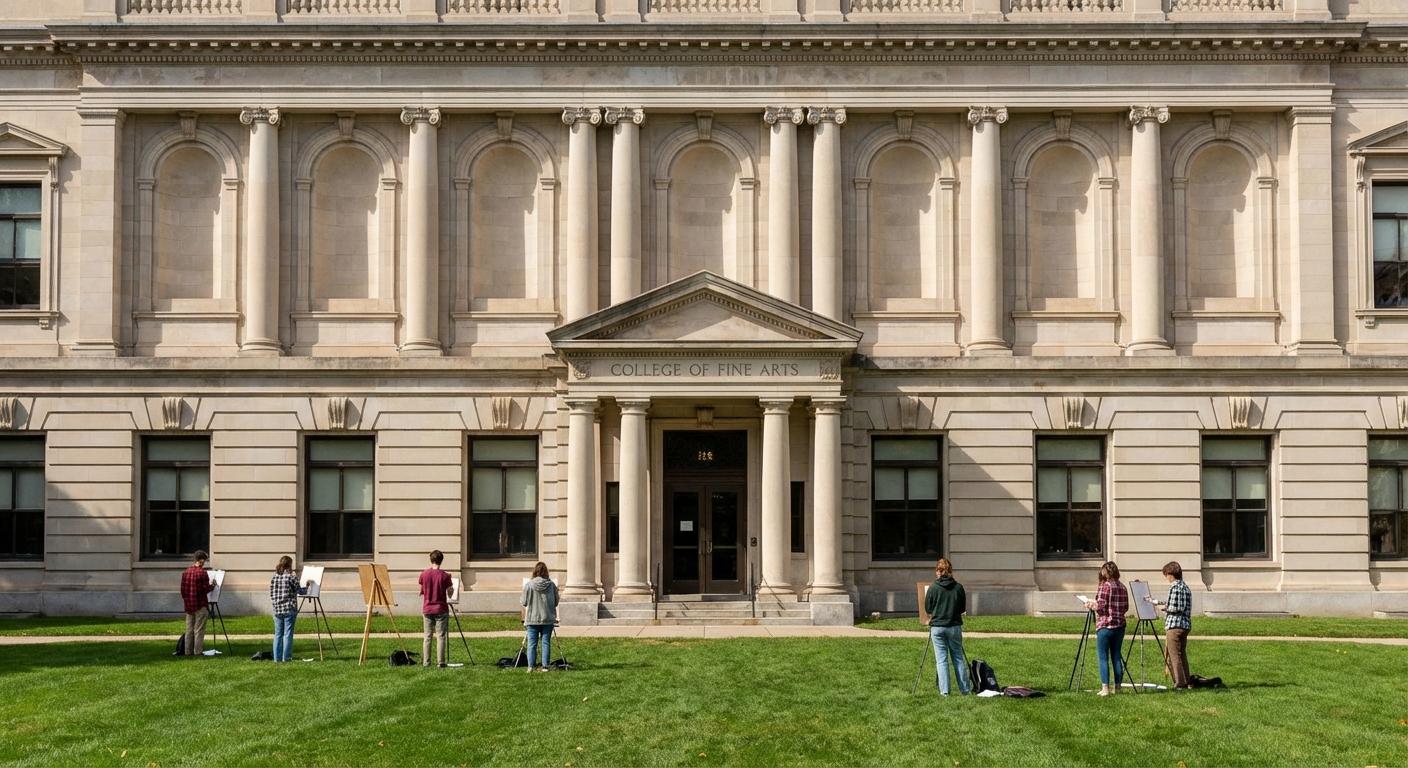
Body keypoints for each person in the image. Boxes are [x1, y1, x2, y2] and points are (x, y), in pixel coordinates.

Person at [924, 558, 972, 696]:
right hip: (954, 626)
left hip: (937, 627)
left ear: (937, 571)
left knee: (941, 660)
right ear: (950, 571)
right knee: (958, 658)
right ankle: (965, 690)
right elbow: (962, 608)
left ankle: (945, 692)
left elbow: (928, 608)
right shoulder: (958, 587)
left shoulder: (933, 588)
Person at [1084, 561, 1128, 696]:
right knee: (1116, 656)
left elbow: (1100, 605)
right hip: (1120, 625)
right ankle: (1118, 687)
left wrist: (1089, 604)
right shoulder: (1123, 586)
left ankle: (1105, 688)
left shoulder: (1105, 586)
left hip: (1105, 626)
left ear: (1106, 572)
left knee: (1103, 657)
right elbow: (1126, 607)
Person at [1152, 560, 1193, 690]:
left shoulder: (1175, 587)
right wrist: (1157, 602)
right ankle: (1187, 680)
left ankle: (1179, 683)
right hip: (1184, 625)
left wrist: (1163, 609)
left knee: (1174, 655)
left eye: (1166, 575)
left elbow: (1177, 607)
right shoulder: (1185, 586)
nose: (1166, 578)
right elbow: (1174, 603)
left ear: (1171, 574)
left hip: (1175, 625)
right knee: (1181, 654)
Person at [419, 550, 454, 668]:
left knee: (427, 636)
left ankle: (426, 662)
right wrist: (451, 587)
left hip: (427, 608)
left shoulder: (424, 574)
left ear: (431, 560)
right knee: (441, 636)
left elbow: (422, 590)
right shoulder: (445, 576)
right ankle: (441, 662)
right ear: (441, 560)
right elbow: (450, 593)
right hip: (441, 608)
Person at [522, 562, 559, 673]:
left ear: (535, 571)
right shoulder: (551, 585)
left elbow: (524, 602)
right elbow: (556, 602)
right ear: (546, 572)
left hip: (532, 618)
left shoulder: (529, 585)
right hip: (547, 618)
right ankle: (545, 666)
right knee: (545, 642)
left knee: (531, 644)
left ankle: (530, 666)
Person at [179, 550, 216, 657]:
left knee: (189, 630)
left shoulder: (186, 572)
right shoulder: (202, 573)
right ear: (201, 560)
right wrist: (213, 585)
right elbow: (205, 589)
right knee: (199, 630)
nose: (204, 562)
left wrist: (187, 600)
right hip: (200, 605)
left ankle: (187, 652)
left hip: (189, 605)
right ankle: (198, 652)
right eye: (204, 560)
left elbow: (183, 591)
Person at [269, 555, 302, 663]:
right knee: (288, 634)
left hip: (277, 609)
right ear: (289, 565)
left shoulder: (274, 577)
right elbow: (300, 591)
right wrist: (308, 586)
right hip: (288, 608)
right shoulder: (291, 577)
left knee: (278, 634)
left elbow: (271, 594)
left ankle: (277, 659)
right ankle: (286, 658)